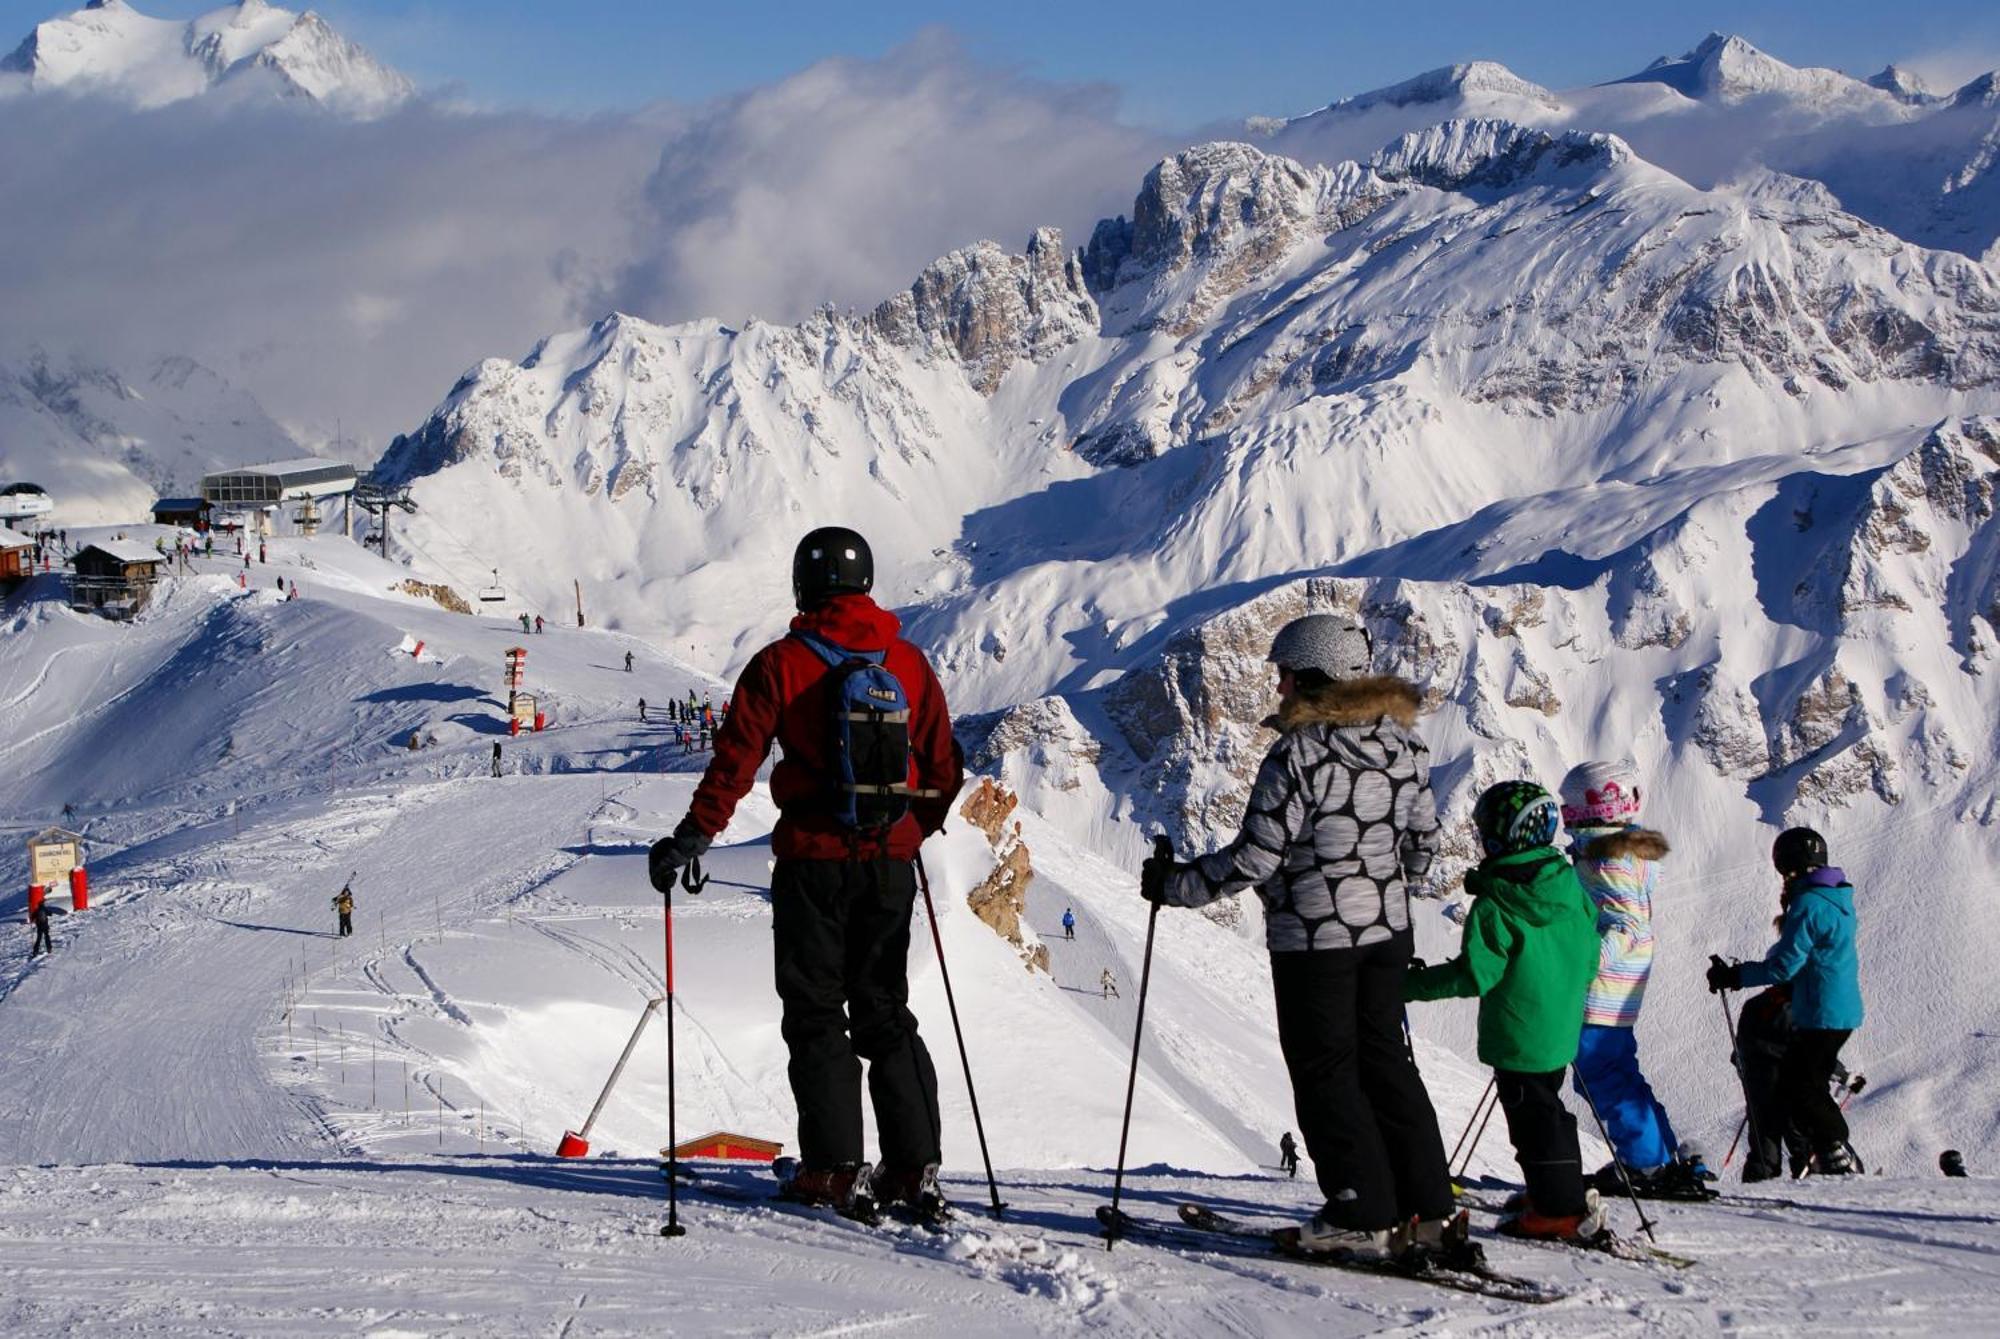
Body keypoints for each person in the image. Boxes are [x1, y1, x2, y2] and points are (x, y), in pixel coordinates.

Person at [647, 526, 963, 1220]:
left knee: (818, 1013)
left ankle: (833, 1169)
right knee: (885, 1011)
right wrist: (909, 832)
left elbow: (735, 762)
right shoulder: (908, 663)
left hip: (811, 867)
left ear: (803, 586)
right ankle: (914, 1169)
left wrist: (692, 838)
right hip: (890, 866)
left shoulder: (780, 664)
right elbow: (944, 768)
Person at [1147, 613, 1463, 1264]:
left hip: (1316, 940)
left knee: (1328, 1072)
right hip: (1388, 934)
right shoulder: (1402, 742)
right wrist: (1381, 889)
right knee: (1386, 1063)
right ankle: (1430, 1210)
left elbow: (1255, 859)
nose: (1281, 688)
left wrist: (1174, 885)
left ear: (1316, 677)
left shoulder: (1299, 753)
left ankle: (1361, 1212)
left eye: (1288, 674)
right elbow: (1425, 843)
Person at [1406, 780, 1608, 1244]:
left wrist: (1408, 986)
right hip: (1560, 1030)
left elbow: (1473, 976)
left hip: (1517, 1037)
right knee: (1549, 1111)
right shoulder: (1569, 887)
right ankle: (1555, 1192)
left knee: (1532, 1125)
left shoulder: (1496, 904)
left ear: (1498, 838)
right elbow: (1591, 955)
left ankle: (1558, 1210)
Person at [1558, 762, 1710, 1198]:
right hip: (1622, 985)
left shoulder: (1606, 858)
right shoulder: (1623, 854)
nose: (1566, 814)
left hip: (1601, 987)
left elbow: (1626, 925)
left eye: (1570, 805)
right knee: (1618, 1070)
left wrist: (1583, 964)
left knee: (1601, 1073)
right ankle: (1658, 1153)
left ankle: (1644, 1162)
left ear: (1591, 807)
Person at [1707, 827, 1863, 1176]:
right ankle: (1828, 1153)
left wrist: (1735, 976)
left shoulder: (1808, 904)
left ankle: (1835, 1148)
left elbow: (1783, 966)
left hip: (1820, 1010)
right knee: (1805, 1081)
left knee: (1801, 1085)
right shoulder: (1835, 898)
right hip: (1837, 1008)